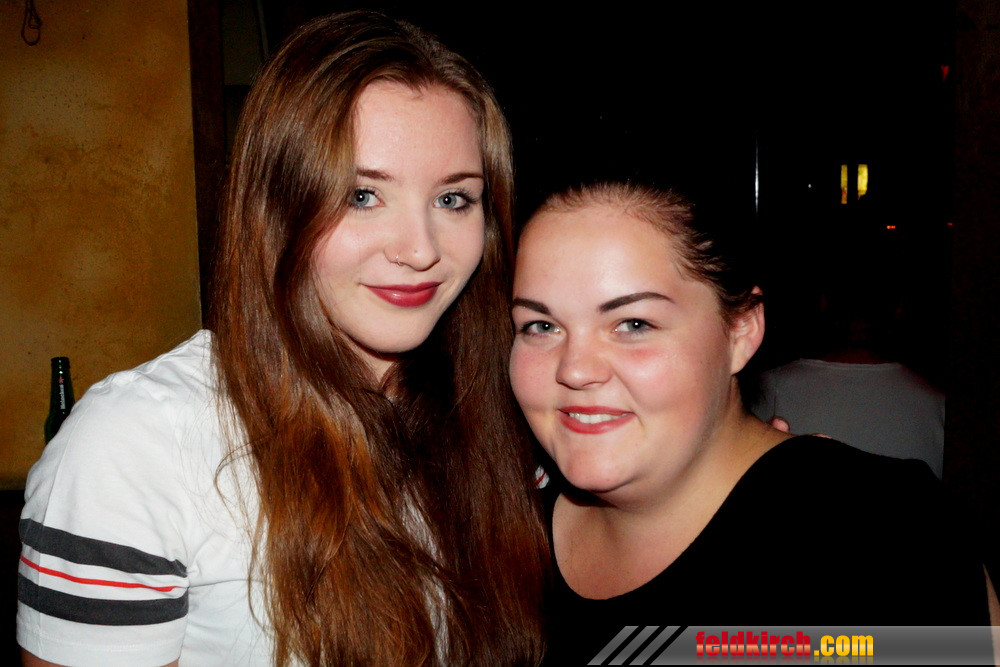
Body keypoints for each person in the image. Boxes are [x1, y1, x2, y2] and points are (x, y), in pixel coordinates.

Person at [17, 11, 546, 666]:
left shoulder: (506, 414)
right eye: (361, 195)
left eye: (453, 199)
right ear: (276, 205)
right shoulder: (133, 447)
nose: (420, 250)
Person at [508, 182, 995, 664]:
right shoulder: (496, 524)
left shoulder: (886, 539)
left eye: (634, 324)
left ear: (740, 331)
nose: (575, 370)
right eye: (541, 326)